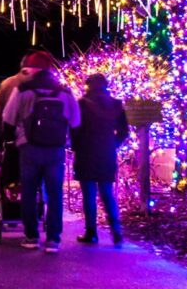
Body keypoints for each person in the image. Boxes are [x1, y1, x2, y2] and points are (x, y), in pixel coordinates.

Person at [2, 51, 80, 253]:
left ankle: (31, 237)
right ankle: (53, 239)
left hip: (29, 147)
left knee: (28, 192)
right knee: (54, 193)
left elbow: (8, 118)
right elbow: (76, 121)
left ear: (31, 70)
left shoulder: (23, 89)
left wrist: (11, 140)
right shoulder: (65, 91)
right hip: (55, 149)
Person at [72, 74, 129, 246]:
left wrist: (76, 147)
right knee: (107, 192)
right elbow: (124, 131)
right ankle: (116, 232)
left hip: (86, 153)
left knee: (89, 194)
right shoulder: (116, 104)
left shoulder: (81, 104)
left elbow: (74, 130)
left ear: (88, 85)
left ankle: (91, 232)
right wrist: (113, 144)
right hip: (107, 153)